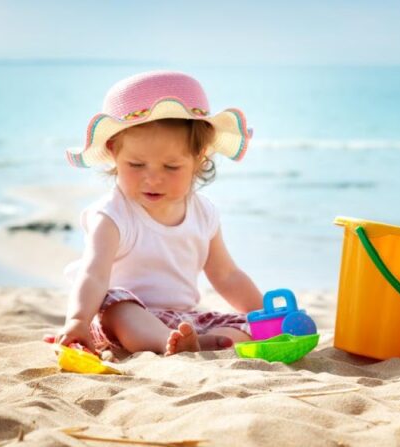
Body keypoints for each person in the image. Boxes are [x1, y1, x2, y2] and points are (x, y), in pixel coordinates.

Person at [55, 71, 261, 356]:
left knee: (243, 326)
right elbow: (93, 275)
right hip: (122, 317)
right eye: (137, 165)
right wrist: (77, 321)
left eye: (171, 167)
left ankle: (196, 342)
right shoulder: (112, 215)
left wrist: (263, 313)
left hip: (182, 318)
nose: (152, 179)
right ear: (114, 152)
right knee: (117, 303)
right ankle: (168, 342)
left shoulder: (204, 213)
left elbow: (226, 275)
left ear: (199, 156)